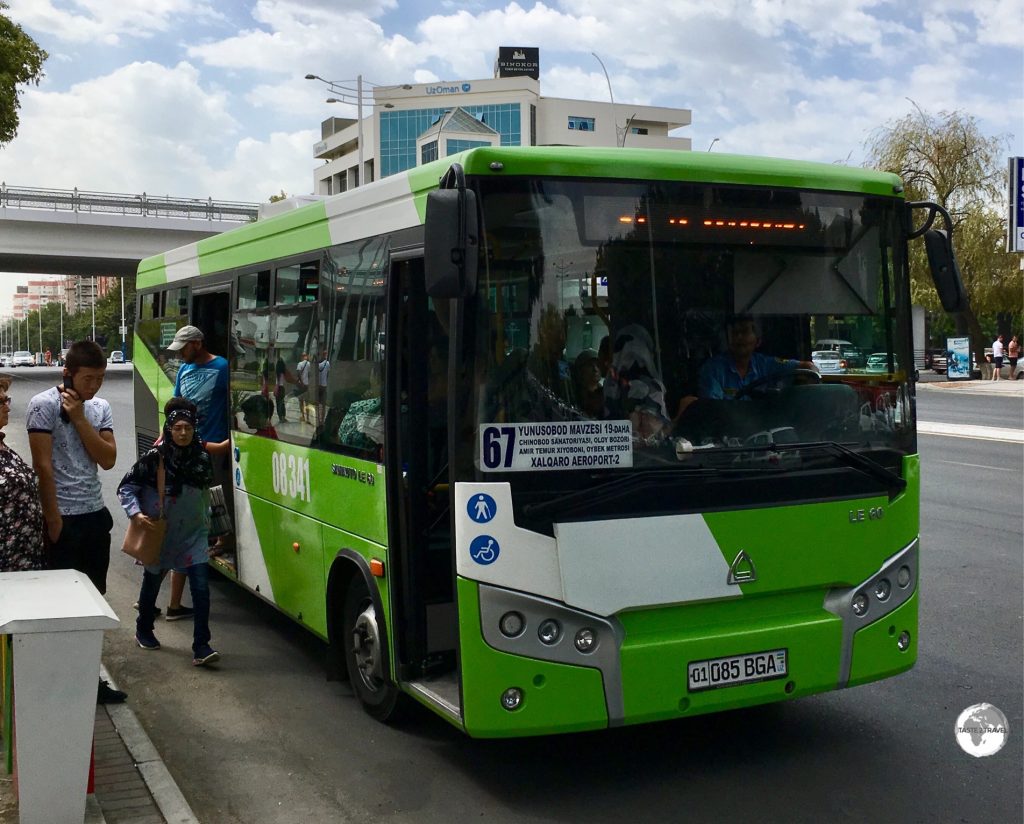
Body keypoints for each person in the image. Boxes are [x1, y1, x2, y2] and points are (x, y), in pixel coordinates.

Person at [26, 340, 124, 703]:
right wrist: (52, 519)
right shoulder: (42, 405)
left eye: (99, 379)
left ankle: (89, 679)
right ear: (67, 372)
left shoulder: (99, 408)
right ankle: (59, 680)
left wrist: (82, 418)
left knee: (93, 601)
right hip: (63, 519)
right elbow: (43, 466)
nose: (93, 386)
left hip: (95, 516)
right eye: (87, 379)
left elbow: (108, 459)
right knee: (60, 607)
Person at [118, 398, 220, 666]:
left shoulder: (201, 455)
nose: (183, 433)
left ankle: (201, 645)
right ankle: (144, 628)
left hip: (194, 535)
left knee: (201, 589)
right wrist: (137, 514)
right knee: (151, 584)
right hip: (161, 534)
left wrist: (209, 521)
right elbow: (126, 487)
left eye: (188, 427)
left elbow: (204, 491)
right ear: (169, 429)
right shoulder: (156, 457)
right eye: (178, 428)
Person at [167, 325, 231, 616]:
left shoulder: (223, 367)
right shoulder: (183, 371)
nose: (180, 353)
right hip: (187, 444)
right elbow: (175, 408)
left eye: (183, 347)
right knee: (197, 500)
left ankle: (222, 539)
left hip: (214, 440)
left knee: (216, 493)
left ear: (197, 343)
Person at [698, 316, 817, 400]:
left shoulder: (765, 364)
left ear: (758, 341)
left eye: (744, 332)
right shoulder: (713, 369)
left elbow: (806, 367)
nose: (738, 337)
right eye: (734, 333)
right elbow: (713, 408)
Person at [0, 376, 45, 572]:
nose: (8, 407)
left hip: (25, 560)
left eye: (6, 400)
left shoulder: (3, 446)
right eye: (1, 402)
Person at [603, 325, 672, 439]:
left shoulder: (652, 387)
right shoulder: (612, 384)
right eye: (624, 349)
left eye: (637, 349)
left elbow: (654, 432)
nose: (629, 354)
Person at [573, 348, 605, 418]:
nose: (595, 369)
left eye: (598, 365)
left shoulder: (605, 394)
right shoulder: (574, 394)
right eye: (590, 365)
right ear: (581, 370)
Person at [292, 352, 312, 424]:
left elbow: (298, 373)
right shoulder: (309, 364)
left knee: (301, 402)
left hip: (301, 385)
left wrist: (302, 382)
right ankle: (308, 418)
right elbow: (309, 374)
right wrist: (307, 382)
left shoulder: (299, 364)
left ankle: (303, 416)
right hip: (306, 385)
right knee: (307, 402)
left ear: (301, 357)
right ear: (306, 356)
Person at [317, 349, 331, 424]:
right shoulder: (327, 363)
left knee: (318, 404)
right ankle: (322, 420)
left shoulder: (317, 364)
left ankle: (318, 419)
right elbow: (328, 374)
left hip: (318, 386)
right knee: (323, 404)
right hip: (324, 386)